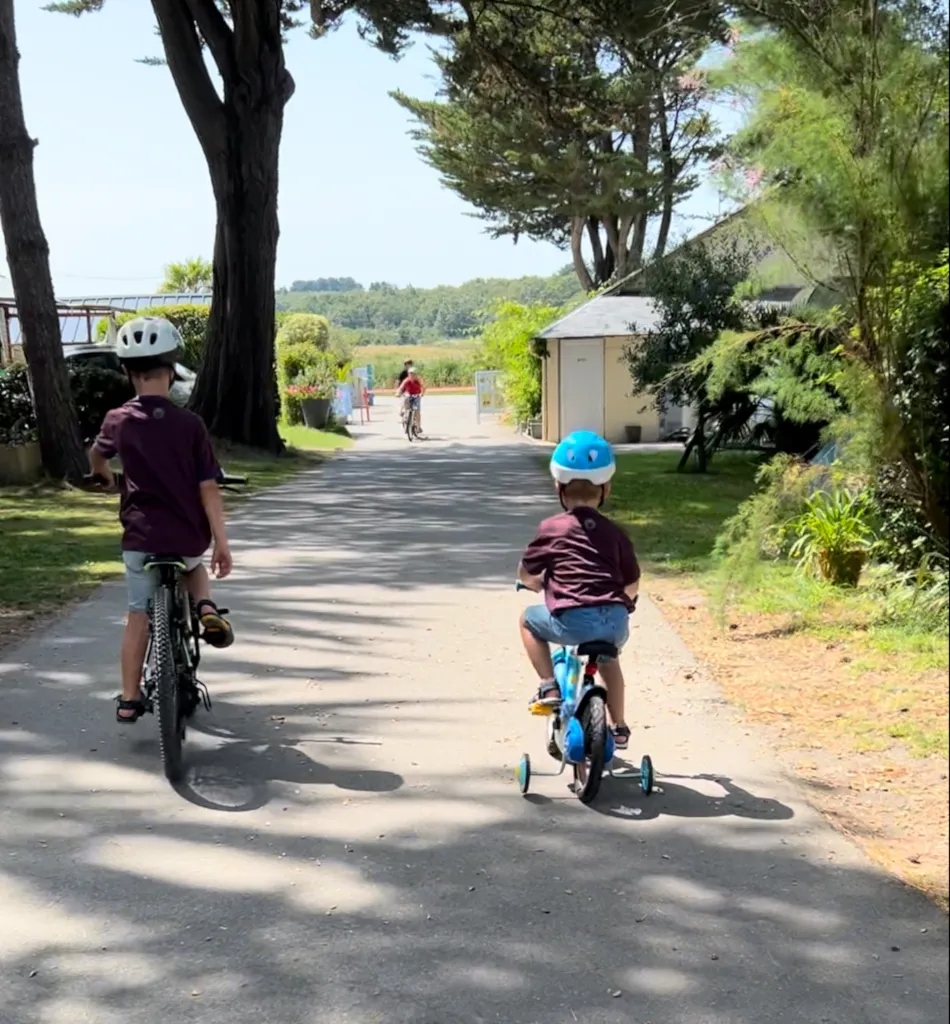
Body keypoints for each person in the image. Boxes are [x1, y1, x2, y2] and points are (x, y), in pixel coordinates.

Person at [88, 316, 235, 724]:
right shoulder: (190, 425)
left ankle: (130, 698)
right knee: (195, 565)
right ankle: (205, 606)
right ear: (171, 372)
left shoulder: (117, 420)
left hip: (141, 537)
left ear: (127, 373)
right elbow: (208, 487)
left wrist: (105, 478)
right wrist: (222, 542)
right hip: (186, 534)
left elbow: (97, 457)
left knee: (139, 612)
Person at [517, 431, 639, 749]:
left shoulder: (552, 529)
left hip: (572, 620)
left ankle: (548, 686)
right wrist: (626, 601)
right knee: (609, 659)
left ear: (559, 488)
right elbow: (632, 583)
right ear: (606, 489)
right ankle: (620, 726)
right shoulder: (617, 533)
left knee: (528, 620)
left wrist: (537, 584)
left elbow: (527, 573)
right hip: (614, 622)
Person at [396, 366, 425, 432]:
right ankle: (404, 414)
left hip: (416, 395)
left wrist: (422, 393)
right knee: (405, 399)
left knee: (417, 411)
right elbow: (401, 387)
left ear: (416, 374)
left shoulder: (418, 380)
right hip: (408, 394)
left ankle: (418, 426)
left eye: (413, 374)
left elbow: (423, 387)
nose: (412, 375)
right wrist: (398, 393)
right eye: (410, 374)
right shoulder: (406, 380)